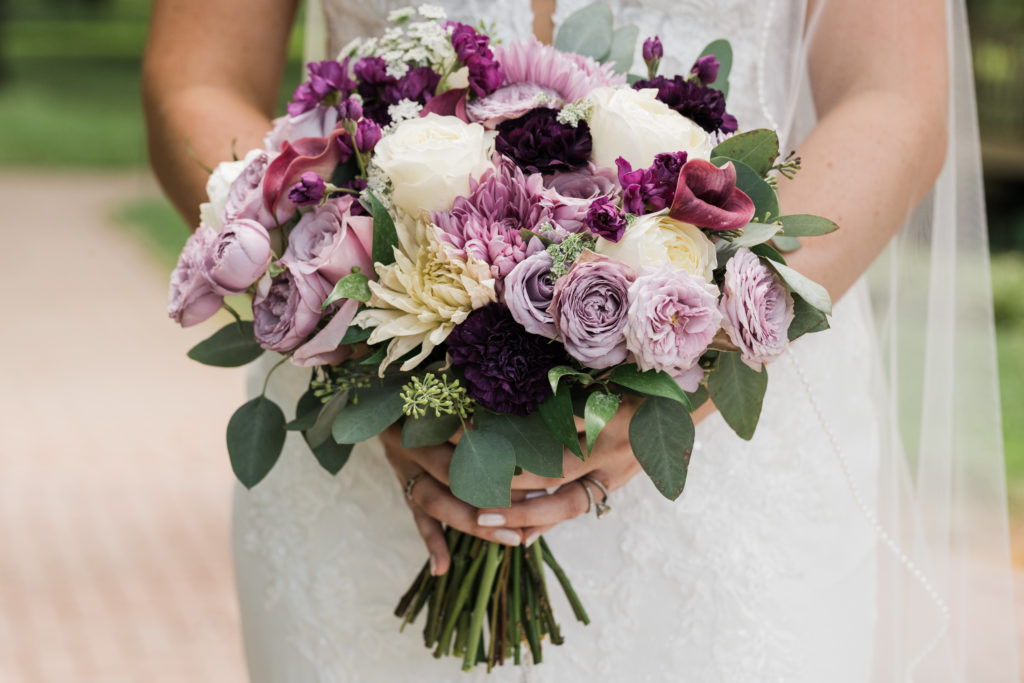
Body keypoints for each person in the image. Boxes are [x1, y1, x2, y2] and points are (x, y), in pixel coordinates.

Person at [142, 0, 1019, 680]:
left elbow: (893, 97)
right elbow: (196, 77)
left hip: (734, 478)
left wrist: (694, 346)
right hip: (366, 437)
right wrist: (356, 329)